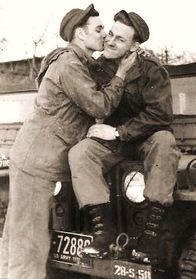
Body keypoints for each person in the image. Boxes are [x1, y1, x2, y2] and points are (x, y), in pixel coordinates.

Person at [0, 4, 136, 279]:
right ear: (79, 33)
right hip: (37, 166)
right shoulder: (69, 65)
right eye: (99, 29)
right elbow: (99, 104)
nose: (105, 35)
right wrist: (123, 73)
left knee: (17, 238)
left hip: (36, 161)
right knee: (30, 250)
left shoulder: (78, 60)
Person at [69, 10, 181, 264]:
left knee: (165, 142)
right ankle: (103, 232)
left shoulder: (152, 70)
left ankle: (150, 236)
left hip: (145, 139)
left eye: (120, 39)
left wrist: (119, 131)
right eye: (110, 34)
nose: (109, 41)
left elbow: (161, 115)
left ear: (134, 45)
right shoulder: (99, 67)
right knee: (80, 152)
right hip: (114, 142)